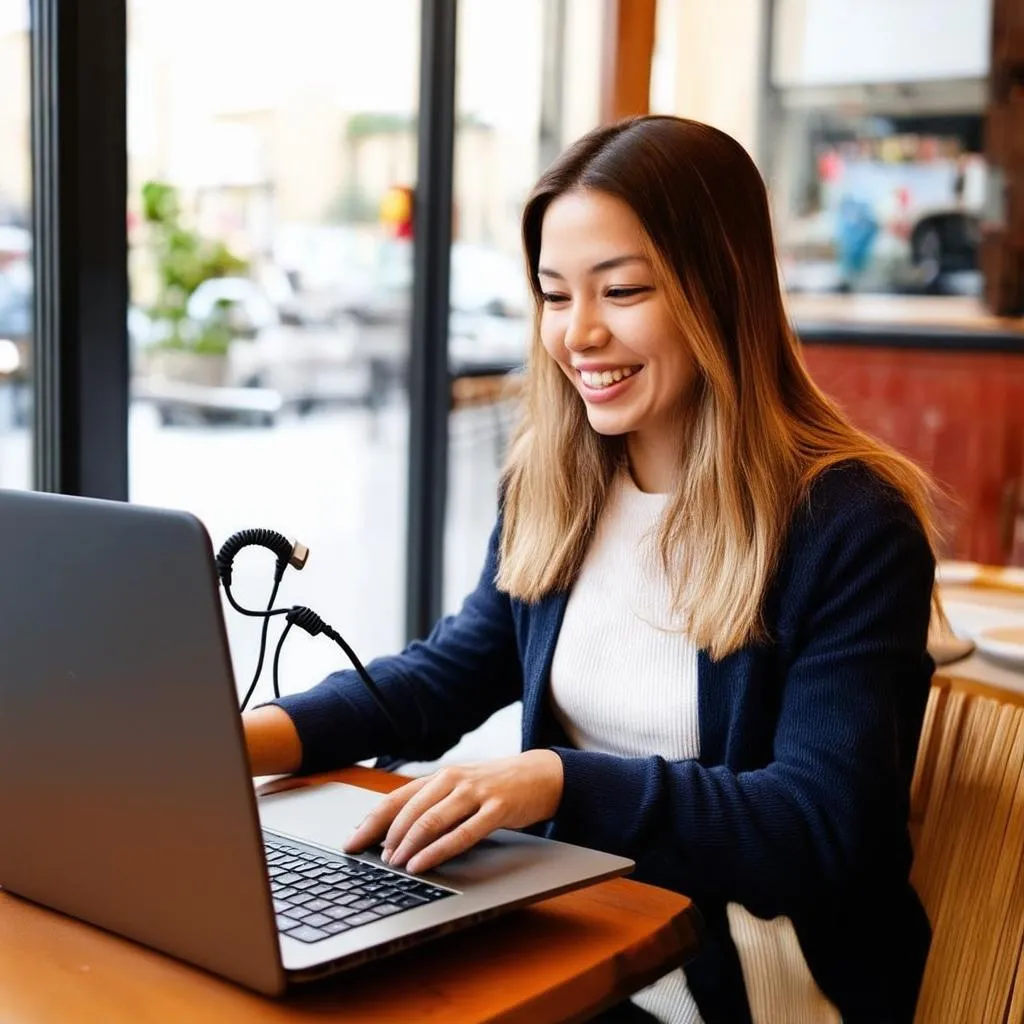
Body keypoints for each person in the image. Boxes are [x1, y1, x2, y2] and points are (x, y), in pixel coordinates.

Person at [244, 116, 938, 1024]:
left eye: (623, 290)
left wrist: (556, 779)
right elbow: (450, 672)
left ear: (720, 288)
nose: (580, 334)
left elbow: (816, 827)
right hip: (585, 935)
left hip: (758, 983)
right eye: (554, 294)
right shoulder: (558, 482)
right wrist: (236, 744)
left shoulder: (849, 525)